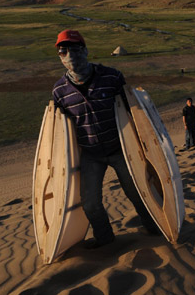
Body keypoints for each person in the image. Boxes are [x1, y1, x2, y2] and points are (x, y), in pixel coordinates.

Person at [51, 29, 158, 249]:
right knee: (90, 204)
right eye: (63, 51)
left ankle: (154, 227)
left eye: (75, 49)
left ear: (86, 50)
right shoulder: (60, 91)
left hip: (120, 148)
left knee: (136, 192)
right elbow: (61, 130)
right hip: (90, 154)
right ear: (60, 57)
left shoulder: (111, 77)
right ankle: (105, 238)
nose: (70, 55)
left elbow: (131, 110)